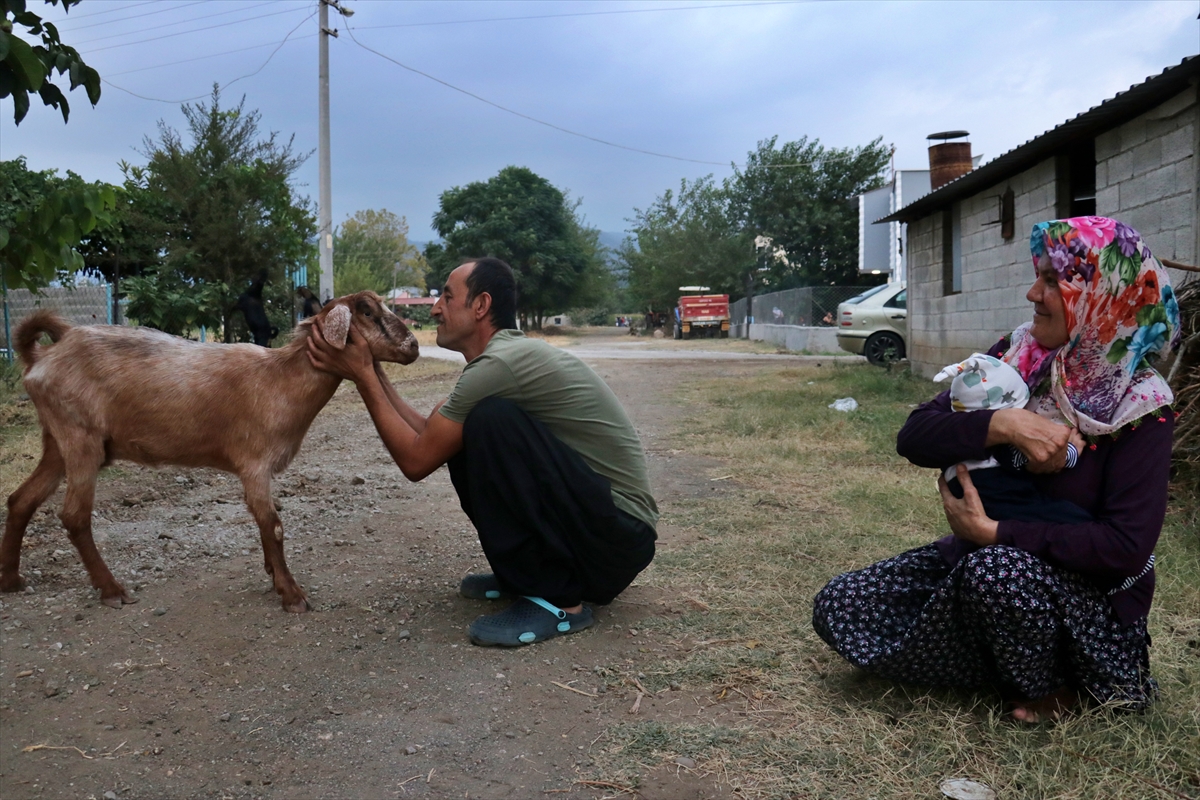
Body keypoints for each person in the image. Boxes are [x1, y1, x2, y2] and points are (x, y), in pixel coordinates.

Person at [812, 217, 1180, 723]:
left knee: (997, 572)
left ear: (1100, 296)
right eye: (1039, 276)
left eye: (1053, 281)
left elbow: (1124, 546)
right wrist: (1005, 422)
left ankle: (1060, 689)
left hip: (1085, 605)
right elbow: (916, 434)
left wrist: (995, 532)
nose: (1033, 293)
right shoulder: (1017, 355)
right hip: (976, 568)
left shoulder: (1143, 406)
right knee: (841, 603)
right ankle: (1004, 663)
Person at [306, 257, 658, 647]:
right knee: (467, 431)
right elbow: (430, 435)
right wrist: (371, 368)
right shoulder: (502, 360)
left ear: (481, 306)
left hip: (616, 540)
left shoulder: (500, 365)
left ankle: (559, 601)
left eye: (447, 296)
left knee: (491, 421)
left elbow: (416, 461)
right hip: (601, 538)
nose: (437, 308)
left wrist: (363, 378)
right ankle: (523, 577)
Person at [932, 352, 1091, 530]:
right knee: (1070, 518)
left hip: (966, 495)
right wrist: (1071, 450)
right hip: (1005, 506)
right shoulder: (1004, 443)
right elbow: (1036, 457)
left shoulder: (959, 433)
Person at [235, 270, 277, 347]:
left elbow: (260, 283)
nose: (253, 277)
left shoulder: (255, 292)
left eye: (256, 276)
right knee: (260, 350)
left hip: (262, 329)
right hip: (258, 329)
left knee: (261, 351)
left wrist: (261, 278)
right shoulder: (249, 294)